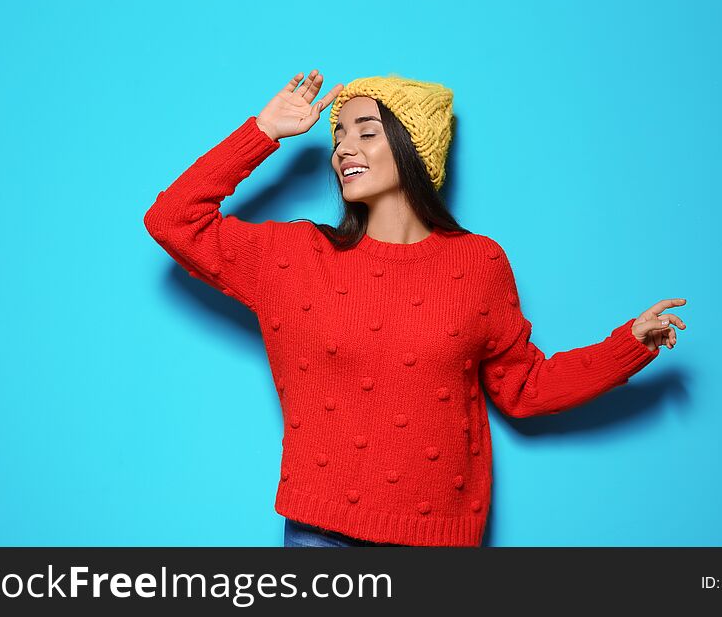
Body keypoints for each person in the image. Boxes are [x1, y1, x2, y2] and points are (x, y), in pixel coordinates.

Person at [143, 69, 687, 547]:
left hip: (440, 541)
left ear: (413, 147)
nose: (343, 149)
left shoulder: (480, 262)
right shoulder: (294, 256)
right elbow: (173, 219)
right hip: (320, 535)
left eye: (366, 132)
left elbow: (523, 388)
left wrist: (628, 346)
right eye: (338, 136)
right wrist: (264, 132)